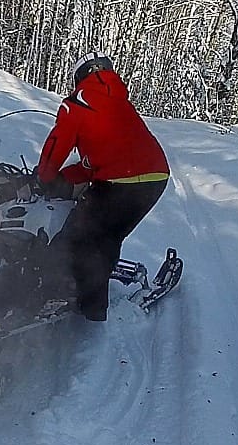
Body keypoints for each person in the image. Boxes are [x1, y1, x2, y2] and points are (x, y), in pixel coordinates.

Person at [34, 52, 169, 321]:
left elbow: (56, 145)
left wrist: (45, 177)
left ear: (79, 77)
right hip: (156, 179)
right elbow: (96, 160)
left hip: (119, 184)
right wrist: (66, 177)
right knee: (108, 235)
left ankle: (89, 307)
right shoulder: (121, 104)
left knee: (80, 236)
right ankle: (88, 294)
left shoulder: (77, 104)